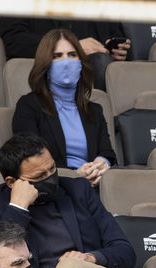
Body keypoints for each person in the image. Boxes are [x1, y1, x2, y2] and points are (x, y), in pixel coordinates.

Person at [0, 133, 135, 268]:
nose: (50, 178)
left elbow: (125, 251)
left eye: (52, 169)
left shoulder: (78, 190)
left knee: (70, 265)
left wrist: (90, 258)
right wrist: (18, 208)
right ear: (12, 182)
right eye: (40, 176)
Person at [12, 28, 116, 187]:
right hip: (55, 188)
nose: (66, 62)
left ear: (81, 63)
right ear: (45, 64)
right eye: (57, 56)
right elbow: (31, 159)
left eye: (72, 55)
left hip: (95, 187)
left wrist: (100, 165)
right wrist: (74, 176)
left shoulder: (94, 110)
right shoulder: (29, 105)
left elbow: (107, 153)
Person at [0, 17, 130, 90]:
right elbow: (13, 39)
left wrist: (111, 48)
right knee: (101, 64)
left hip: (97, 67)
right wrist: (73, 47)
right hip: (47, 69)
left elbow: (114, 34)